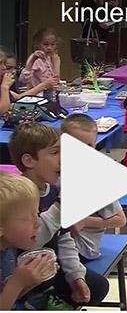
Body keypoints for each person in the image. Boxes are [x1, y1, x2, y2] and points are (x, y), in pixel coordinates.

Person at [8, 123, 109, 309]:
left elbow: (63, 237)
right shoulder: (18, 197)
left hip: (51, 264)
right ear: (29, 161)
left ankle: (47, 297)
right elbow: (31, 241)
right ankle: (37, 299)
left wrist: (75, 276)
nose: (63, 159)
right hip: (22, 271)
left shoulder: (53, 190)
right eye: (54, 153)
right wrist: (61, 206)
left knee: (97, 286)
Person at [61, 114, 127, 261]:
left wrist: (84, 221)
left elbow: (120, 220)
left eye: (89, 146)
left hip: (82, 248)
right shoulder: (55, 171)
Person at [0, 173, 59, 310]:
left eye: (36, 213)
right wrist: (17, 283)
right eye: (28, 217)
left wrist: (31, 280)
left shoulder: (8, 247)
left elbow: (9, 296)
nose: (38, 223)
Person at [19, 28, 60, 94]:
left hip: (49, 94)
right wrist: (32, 60)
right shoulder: (36, 58)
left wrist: (56, 64)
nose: (49, 48)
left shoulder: (50, 58)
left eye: (52, 44)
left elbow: (55, 81)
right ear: (37, 44)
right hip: (37, 95)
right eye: (46, 44)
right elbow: (23, 79)